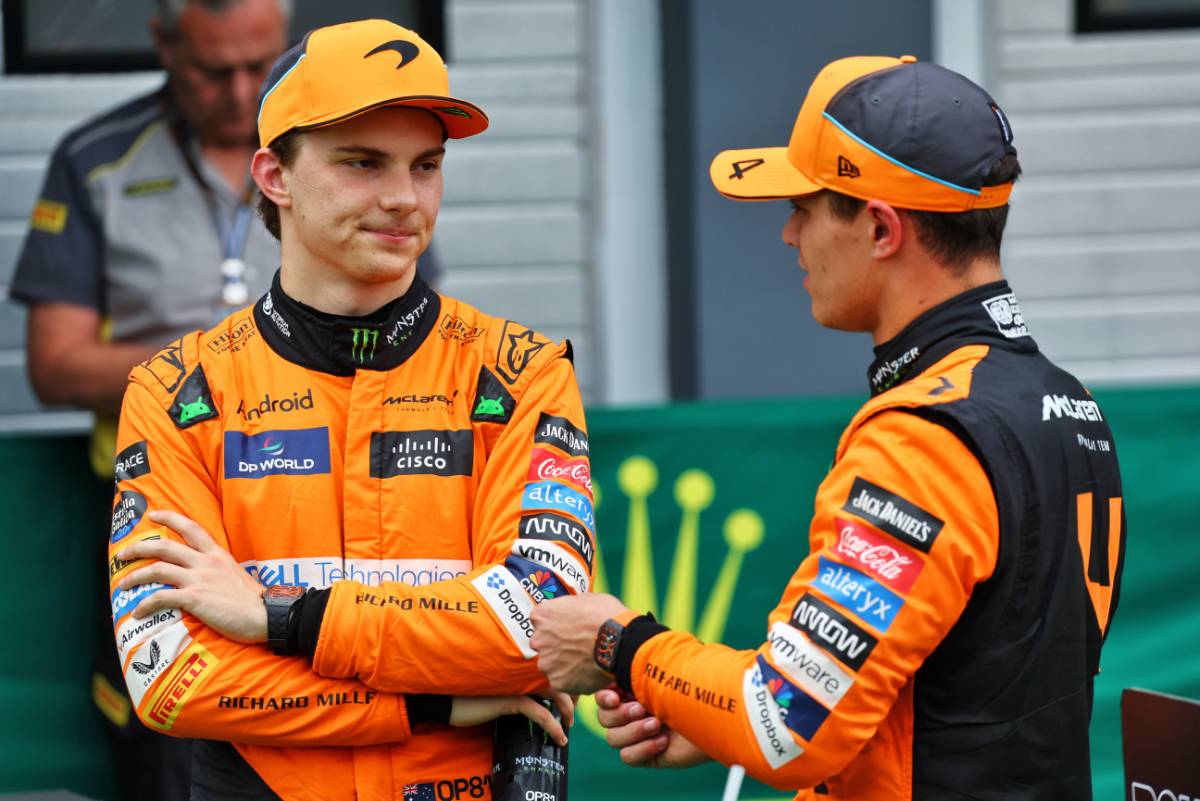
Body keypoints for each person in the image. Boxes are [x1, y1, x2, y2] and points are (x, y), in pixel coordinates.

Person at [530, 55, 1126, 799]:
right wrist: (703, 709)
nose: (788, 235)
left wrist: (618, 645)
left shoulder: (925, 436)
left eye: (806, 207)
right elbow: (956, 690)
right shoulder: (1069, 404)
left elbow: (784, 724)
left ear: (880, 227)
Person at [105, 18, 591, 801]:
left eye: (425, 165)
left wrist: (278, 618)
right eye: (363, 164)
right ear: (275, 176)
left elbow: (539, 632)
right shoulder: (175, 390)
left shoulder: (520, 372)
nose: (403, 199)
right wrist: (431, 700)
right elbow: (171, 678)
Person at [9, 3, 287, 798]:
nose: (241, 93)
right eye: (212, 70)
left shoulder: (334, 151)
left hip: (319, 505)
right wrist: (216, 365)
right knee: (170, 759)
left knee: (331, 739)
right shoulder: (96, 159)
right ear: (164, 45)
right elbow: (55, 365)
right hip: (159, 516)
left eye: (260, 65)